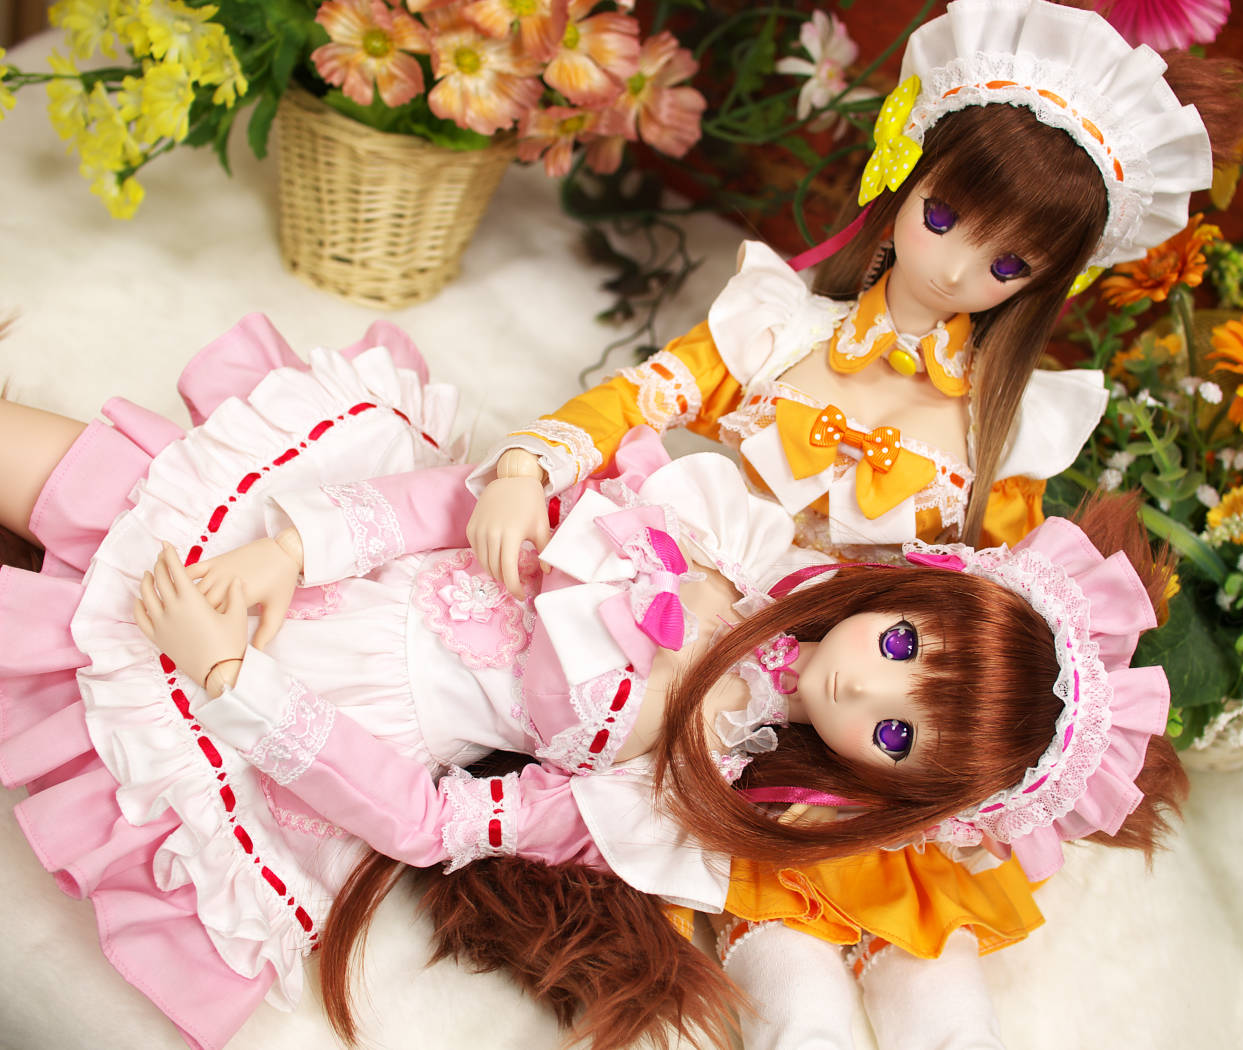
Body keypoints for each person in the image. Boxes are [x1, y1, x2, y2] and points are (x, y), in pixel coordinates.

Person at [0, 313, 1181, 1050]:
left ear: (894, 793)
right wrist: (294, 550)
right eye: (904, 651)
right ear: (915, 590)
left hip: (324, 703)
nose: (865, 695)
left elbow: (430, 822)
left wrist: (236, 685)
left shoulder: (673, 799)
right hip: (336, 554)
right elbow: (468, 506)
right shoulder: (727, 537)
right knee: (91, 475)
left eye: (895, 739)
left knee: (63, 646)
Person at [461, 1, 1243, 1044]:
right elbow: (637, 399)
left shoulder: (1002, 431)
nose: (956, 270)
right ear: (903, 173)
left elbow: (996, 603)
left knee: (925, 939)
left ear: (1042, 283)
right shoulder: (778, 330)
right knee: (782, 943)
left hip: (869, 693)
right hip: (698, 641)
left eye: (1006, 265)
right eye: (945, 216)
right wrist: (528, 464)